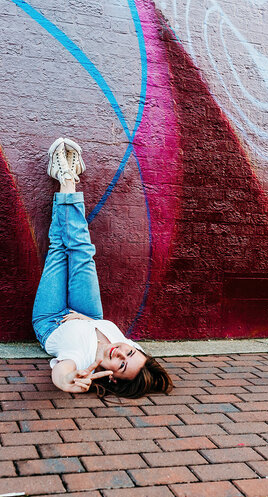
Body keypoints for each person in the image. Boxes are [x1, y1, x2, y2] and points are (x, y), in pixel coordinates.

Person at [32, 138, 173, 398]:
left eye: (120, 364)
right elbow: (126, 349)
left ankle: (67, 179)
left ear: (114, 379)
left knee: (58, 250)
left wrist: (67, 382)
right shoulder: (128, 345)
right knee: (82, 252)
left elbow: (63, 371)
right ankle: (66, 180)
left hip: (51, 321)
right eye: (130, 353)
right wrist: (86, 321)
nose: (120, 352)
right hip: (89, 315)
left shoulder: (81, 360)